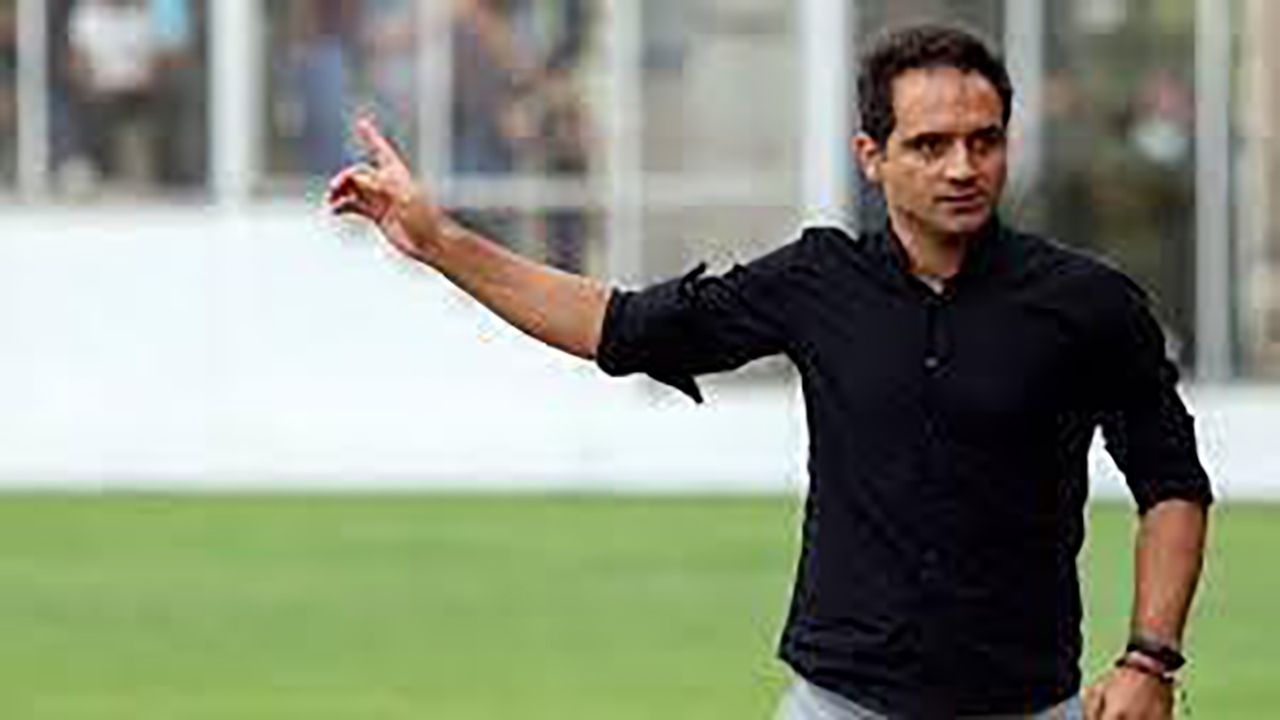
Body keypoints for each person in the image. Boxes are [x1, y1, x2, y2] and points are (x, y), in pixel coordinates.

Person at [327, 24, 1212, 720]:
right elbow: (619, 328)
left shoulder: (1089, 304)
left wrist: (1151, 659)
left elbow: (1171, 482)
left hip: (1026, 704)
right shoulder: (817, 282)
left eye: (984, 142)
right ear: (872, 156)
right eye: (930, 144)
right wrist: (440, 242)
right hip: (838, 703)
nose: (962, 168)